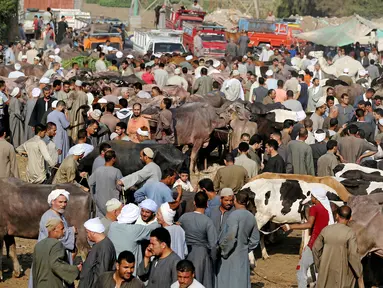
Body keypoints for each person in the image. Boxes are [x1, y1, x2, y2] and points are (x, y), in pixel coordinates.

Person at [282, 187, 334, 288]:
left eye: (312, 196)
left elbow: (309, 225)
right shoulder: (326, 210)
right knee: (318, 270)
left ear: (317, 198)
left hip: (314, 243)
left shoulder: (314, 208)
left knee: (301, 269)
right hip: (324, 245)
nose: (311, 198)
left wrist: (290, 226)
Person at [313, 205, 364, 288]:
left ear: (336, 216)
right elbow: (353, 255)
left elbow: (315, 248)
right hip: (341, 274)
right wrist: (359, 272)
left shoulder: (326, 230)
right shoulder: (350, 233)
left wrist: (319, 266)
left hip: (325, 271)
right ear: (350, 218)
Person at [217, 190, 260, 288]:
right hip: (242, 254)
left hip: (230, 255)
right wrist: (245, 247)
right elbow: (255, 240)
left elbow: (231, 237)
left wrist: (224, 251)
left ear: (235, 200)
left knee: (227, 281)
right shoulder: (251, 217)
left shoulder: (234, 216)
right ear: (247, 202)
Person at [179, 192, 217, 288]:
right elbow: (213, 245)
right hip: (202, 254)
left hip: (186, 252)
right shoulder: (208, 221)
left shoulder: (184, 217)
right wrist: (213, 259)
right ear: (207, 204)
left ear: (194, 203)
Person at [108, 204, 160, 275]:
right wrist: (157, 218)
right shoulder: (135, 229)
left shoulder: (113, 225)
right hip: (130, 271)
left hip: (115, 268)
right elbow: (153, 228)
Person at [32, 219, 81, 288]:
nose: (64, 231)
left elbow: (35, 269)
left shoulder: (39, 245)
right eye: (62, 229)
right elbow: (56, 264)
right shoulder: (56, 244)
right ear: (54, 229)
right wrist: (76, 270)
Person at [79, 218, 116, 288]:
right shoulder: (99, 244)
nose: (87, 235)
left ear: (93, 232)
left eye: (87, 232)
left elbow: (101, 272)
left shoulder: (104, 247)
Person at [89, 150, 123, 217]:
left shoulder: (98, 170)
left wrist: (93, 197)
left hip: (99, 204)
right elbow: (121, 187)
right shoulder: (116, 171)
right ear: (113, 159)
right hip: (113, 205)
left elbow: (89, 183)